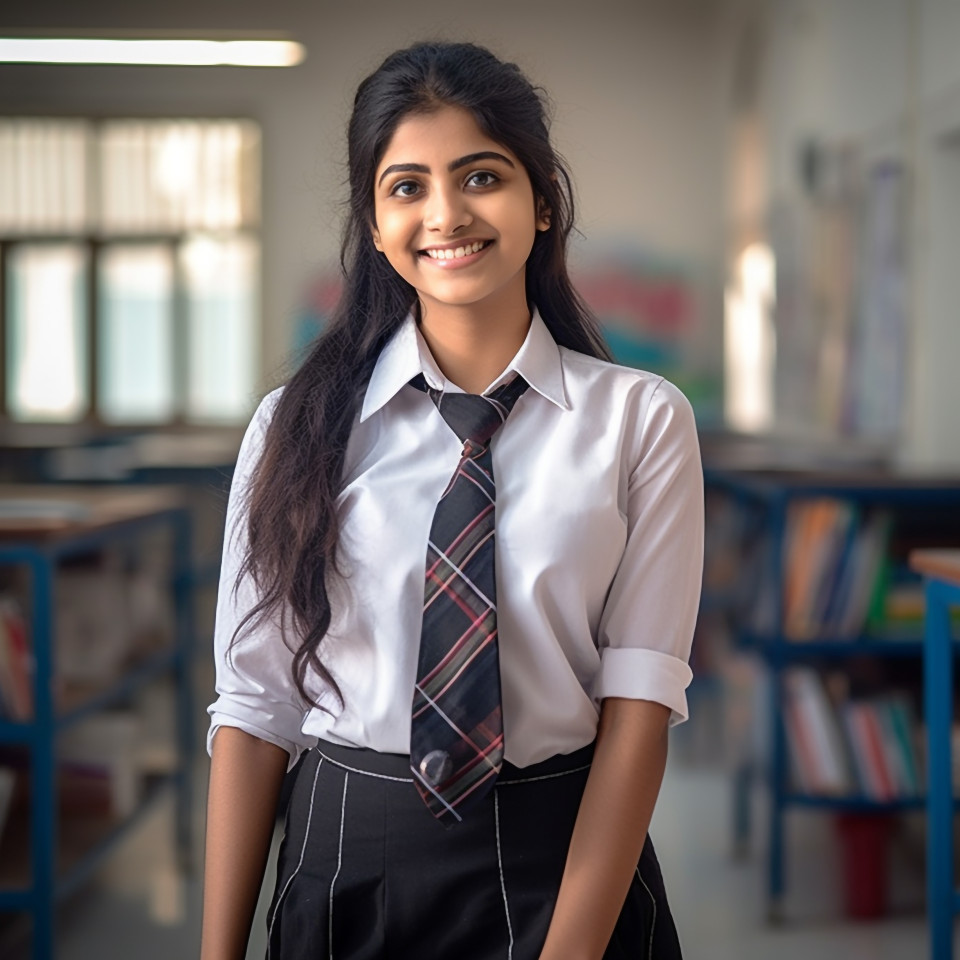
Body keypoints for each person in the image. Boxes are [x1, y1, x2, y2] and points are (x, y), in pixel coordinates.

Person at [201, 40, 703, 960]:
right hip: (345, 859)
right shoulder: (296, 426)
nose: (446, 214)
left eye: (481, 176)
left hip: (569, 862)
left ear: (542, 199)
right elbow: (254, 704)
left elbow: (640, 703)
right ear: (374, 219)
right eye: (407, 186)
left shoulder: (641, 419)